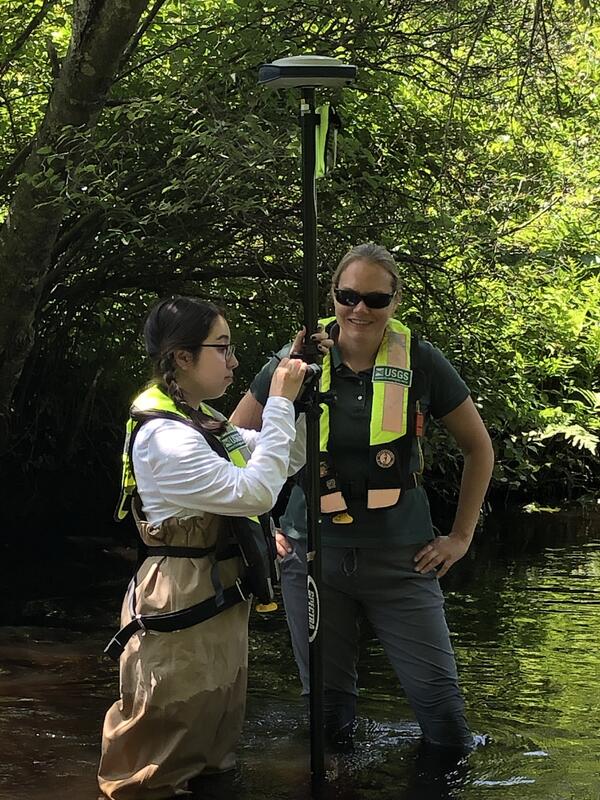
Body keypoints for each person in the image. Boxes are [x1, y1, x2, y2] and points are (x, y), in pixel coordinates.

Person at [231, 243, 495, 752]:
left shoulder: (420, 360)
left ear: (395, 301)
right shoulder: (294, 363)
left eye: (375, 298)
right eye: (348, 295)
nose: (359, 309)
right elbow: (233, 442)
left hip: (403, 559)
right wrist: (263, 526)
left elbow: (479, 448)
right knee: (327, 718)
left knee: (444, 719)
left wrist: (461, 537)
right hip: (310, 559)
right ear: (331, 295)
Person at [98, 295, 316, 800]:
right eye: (223, 348)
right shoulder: (165, 437)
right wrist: (279, 400)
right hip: (180, 602)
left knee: (212, 753)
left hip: (216, 600)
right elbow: (254, 494)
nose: (234, 362)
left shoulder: (204, 421)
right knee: (155, 769)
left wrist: (303, 391)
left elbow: (280, 457)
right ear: (181, 357)